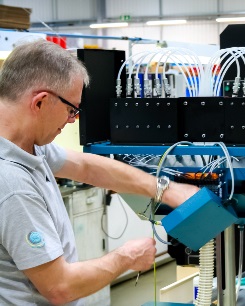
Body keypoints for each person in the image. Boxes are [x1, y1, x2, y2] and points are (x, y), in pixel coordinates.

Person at [0, 39, 199, 305]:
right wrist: (125, 257)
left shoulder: (26, 144)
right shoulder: (12, 184)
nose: (72, 120)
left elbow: (86, 166)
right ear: (40, 103)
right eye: (72, 109)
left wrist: (166, 190)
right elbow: (60, 287)